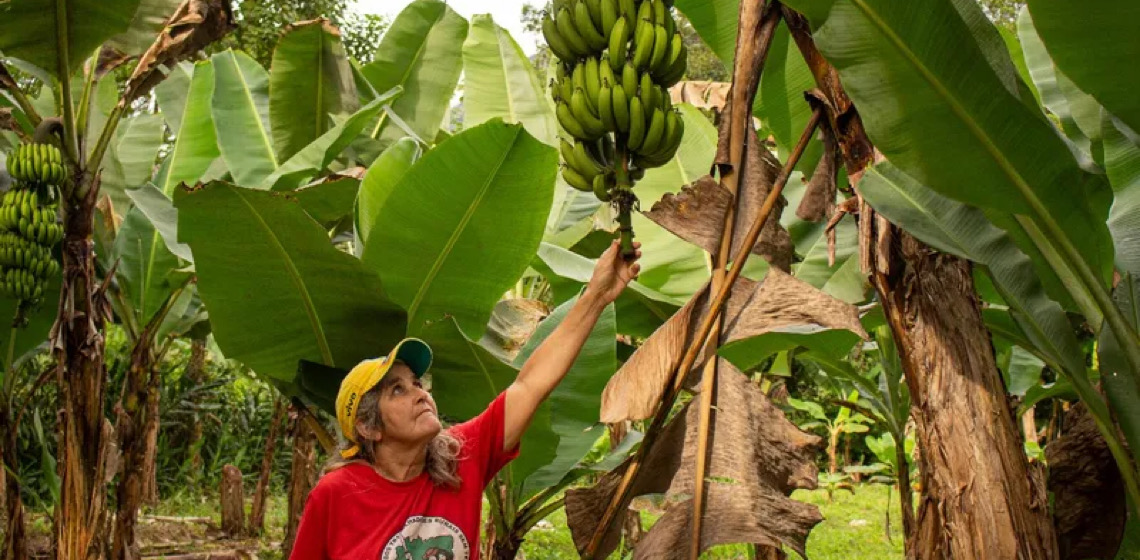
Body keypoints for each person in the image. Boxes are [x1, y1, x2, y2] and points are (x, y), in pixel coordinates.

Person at [289, 240, 642, 560]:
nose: (420, 394)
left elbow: (531, 384)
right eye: (398, 389)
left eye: (416, 383)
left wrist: (597, 295)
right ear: (368, 426)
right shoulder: (337, 494)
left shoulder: (460, 456)